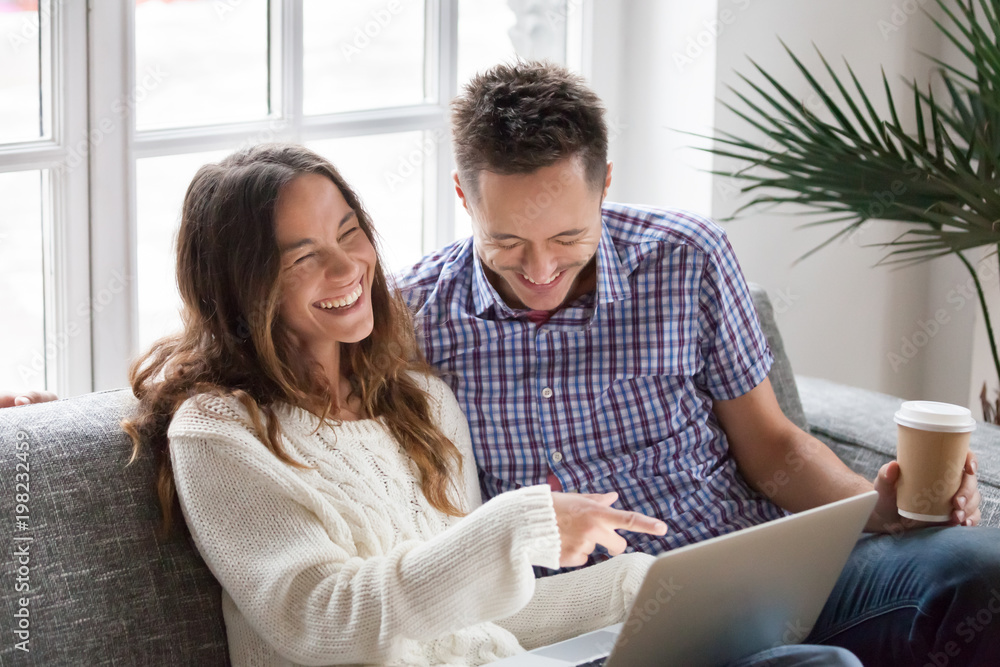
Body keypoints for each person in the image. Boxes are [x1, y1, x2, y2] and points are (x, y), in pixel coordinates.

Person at [119, 143, 855, 666]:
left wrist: (648, 588)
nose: (349, 268)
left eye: (350, 233)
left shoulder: (421, 402)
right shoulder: (219, 429)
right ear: (240, 286)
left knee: (815, 663)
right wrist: (520, 525)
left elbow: (478, 612)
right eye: (304, 256)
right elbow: (321, 616)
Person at [396, 61, 1000, 665]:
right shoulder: (415, 316)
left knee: (981, 568)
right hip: (601, 624)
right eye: (506, 242)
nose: (540, 270)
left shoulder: (688, 258)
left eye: (566, 239)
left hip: (756, 570)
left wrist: (878, 509)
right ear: (462, 196)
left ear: (605, 184)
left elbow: (774, 449)